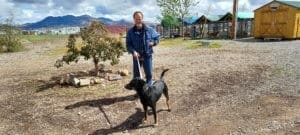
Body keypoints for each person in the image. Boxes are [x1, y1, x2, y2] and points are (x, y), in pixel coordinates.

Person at [126, 11, 159, 86]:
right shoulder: (130, 32)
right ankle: (139, 92)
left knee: (149, 74)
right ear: (134, 19)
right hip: (136, 56)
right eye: (136, 19)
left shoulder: (149, 30)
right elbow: (128, 44)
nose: (138, 20)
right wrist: (133, 51)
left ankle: (149, 91)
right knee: (137, 76)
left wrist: (153, 43)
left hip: (147, 55)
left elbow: (157, 37)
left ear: (142, 18)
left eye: (139, 19)